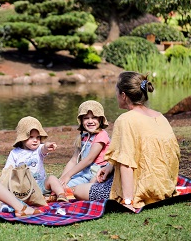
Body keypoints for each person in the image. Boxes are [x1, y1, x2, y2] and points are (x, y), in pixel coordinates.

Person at [73, 71, 180, 211]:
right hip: (163, 186)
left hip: (140, 189)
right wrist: (109, 167)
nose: (116, 96)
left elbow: (126, 162)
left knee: (78, 190)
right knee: (104, 176)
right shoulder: (160, 117)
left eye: (117, 92)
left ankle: (125, 194)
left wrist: (128, 200)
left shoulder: (125, 120)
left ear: (123, 95)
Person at [4, 116, 68, 202]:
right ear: (22, 138)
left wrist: (48, 145)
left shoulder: (38, 150)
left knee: (52, 178)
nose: (35, 140)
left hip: (40, 185)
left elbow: (44, 148)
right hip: (24, 189)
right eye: (31, 137)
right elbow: (8, 170)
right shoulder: (15, 153)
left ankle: (61, 195)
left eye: (38, 137)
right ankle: (41, 198)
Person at [59, 100, 110, 188]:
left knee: (66, 188)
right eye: (86, 118)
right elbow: (73, 160)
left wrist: (69, 175)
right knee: (58, 185)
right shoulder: (84, 136)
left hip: (95, 173)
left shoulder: (101, 135)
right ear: (81, 120)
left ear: (100, 119)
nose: (90, 121)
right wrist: (63, 177)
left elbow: (89, 159)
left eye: (94, 117)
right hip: (83, 172)